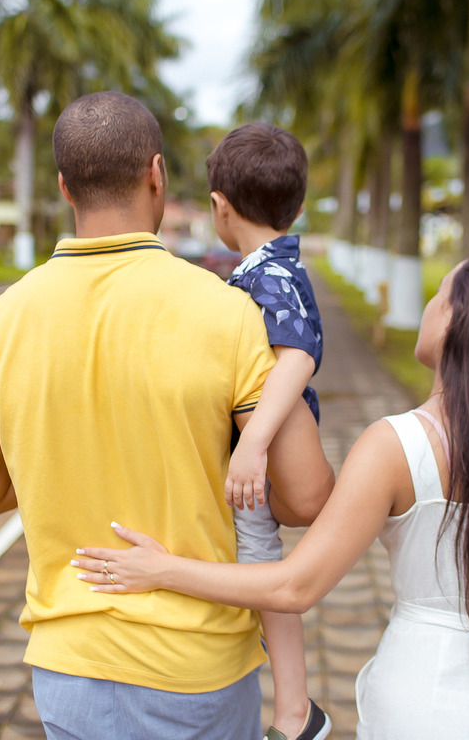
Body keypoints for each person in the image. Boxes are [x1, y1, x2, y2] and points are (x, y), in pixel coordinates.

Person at [73, 241, 469, 739]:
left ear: (457, 323)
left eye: (439, 295)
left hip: (432, 702)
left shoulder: (397, 446)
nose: (429, 305)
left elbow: (296, 586)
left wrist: (160, 570)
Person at [0, 91, 335, 740]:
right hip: (196, 671)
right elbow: (303, 495)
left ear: (65, 186)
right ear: (157, 174)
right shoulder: (226, 312)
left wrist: (72, 452)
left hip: (67, 671)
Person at [208, 123, 329, 740]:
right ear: (299, 205)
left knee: (262, 568)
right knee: (257, 564)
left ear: (218, 207)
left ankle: (294, 709)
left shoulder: (271, 276)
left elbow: (298, 356)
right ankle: (294, 709)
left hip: (268, 446)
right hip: (263, 445)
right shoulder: (265, 269)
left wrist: (253, 445)